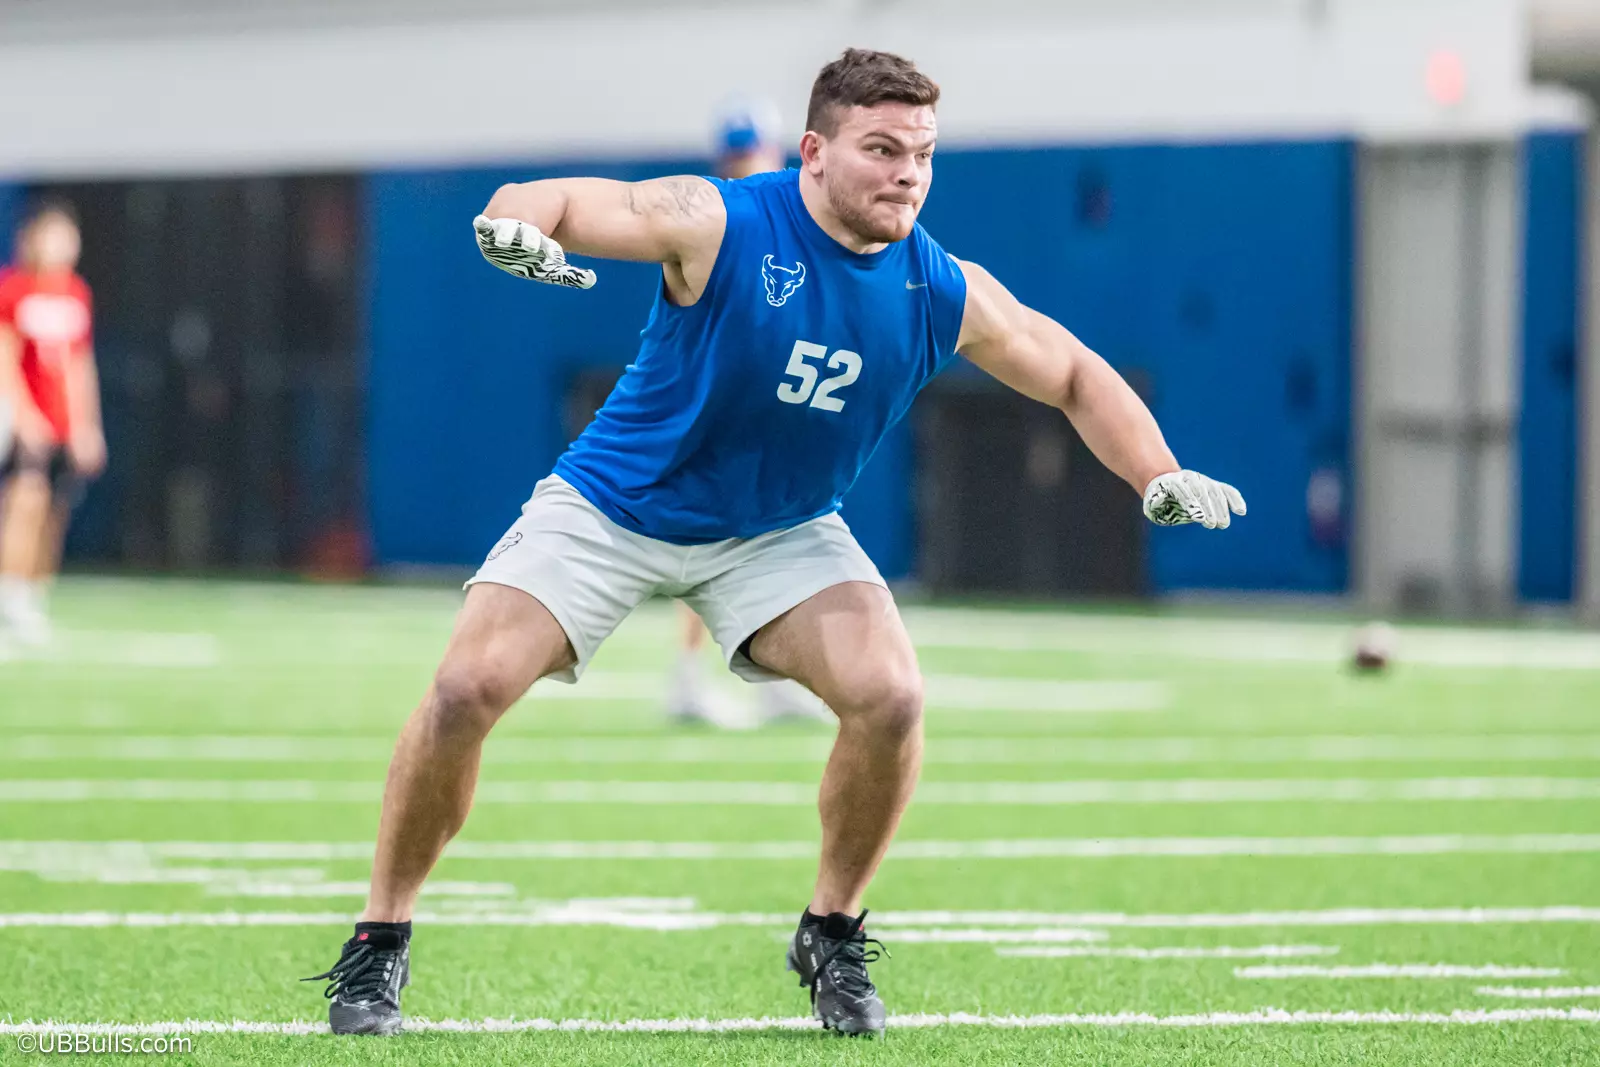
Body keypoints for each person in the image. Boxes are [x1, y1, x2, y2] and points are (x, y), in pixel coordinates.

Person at [303, 48, 1244, 1038]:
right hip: (614, 506)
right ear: (814, 153)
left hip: (776, 531)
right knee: (465, 688)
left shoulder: (938, 287)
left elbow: (1076, 373)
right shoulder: (723, 221)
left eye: (922, 154)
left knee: (890, 695)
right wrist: (511, 223)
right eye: (881, 149)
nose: (907, 175)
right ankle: (380, 936)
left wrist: (1157, 473)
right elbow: (569, 201)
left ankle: (831, 929)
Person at [669, 95, 831, 728]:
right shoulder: (717, 217)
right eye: (736, 154)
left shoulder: (784, 215)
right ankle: (691, 680)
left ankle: (772, 681)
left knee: (772, 541)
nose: (743, 164)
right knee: (715, 545)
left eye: (750, 152)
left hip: (768, 405)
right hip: (726, 405)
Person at [0, 201, 105, 644]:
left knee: (55, 509)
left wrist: (87, 425)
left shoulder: (76, 294)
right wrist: (24, 416)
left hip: (63, 421)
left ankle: (34, 592)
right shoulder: (14, 289)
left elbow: (80, 365)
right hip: (27, 419)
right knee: (25, 499)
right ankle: (9, 589)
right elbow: (5, 357)